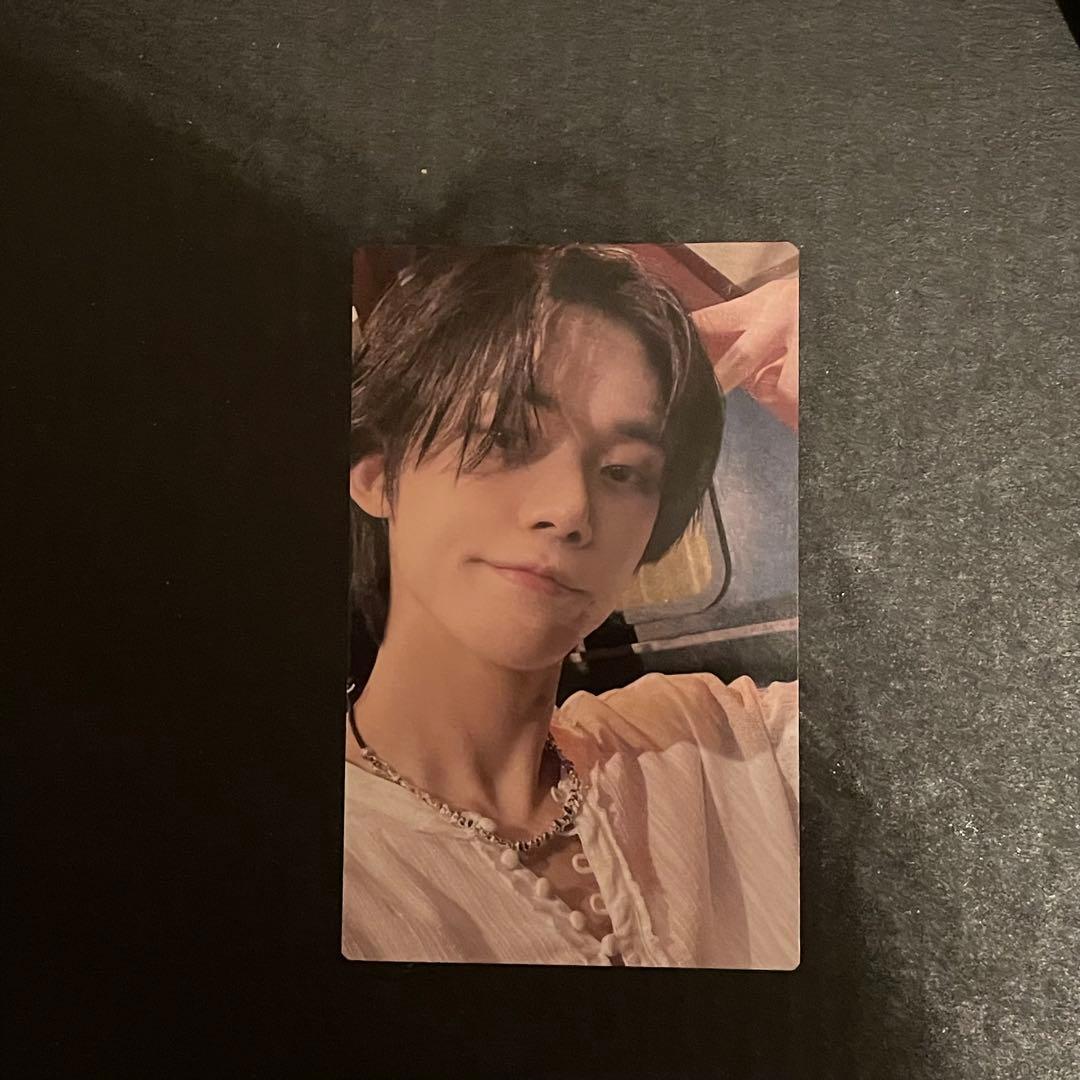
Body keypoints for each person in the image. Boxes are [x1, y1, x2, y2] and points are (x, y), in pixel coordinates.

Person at [343, 244, 799, 968]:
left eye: (622, 471)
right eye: (505, 436)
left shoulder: (713, 742)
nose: (571, 510)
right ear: (376, 474)